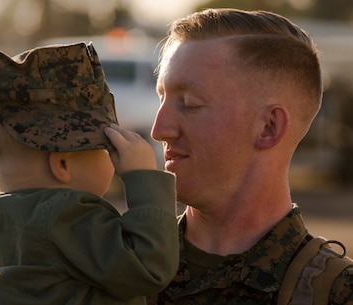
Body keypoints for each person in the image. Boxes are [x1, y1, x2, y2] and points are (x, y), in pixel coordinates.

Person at [146, 8, 353, 305]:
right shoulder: (117, 269)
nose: (159, 129)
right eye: (161, 97)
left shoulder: (334, 294)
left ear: (269, 127)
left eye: (190, 104)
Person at [0, 42, 179, 305]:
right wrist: (142, 175)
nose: (114, 156)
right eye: (105, 147)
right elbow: (148, 267)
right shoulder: (65, 216)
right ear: (63, 165)